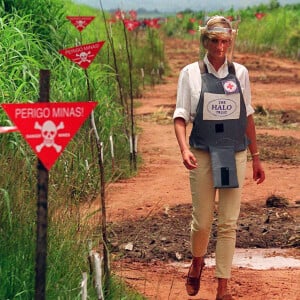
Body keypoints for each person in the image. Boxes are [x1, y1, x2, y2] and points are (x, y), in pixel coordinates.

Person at [173, 15, 265, 300]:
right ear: (205, 41)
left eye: (225, 41)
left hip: (232, 154)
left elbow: (247, 115)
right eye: (215, 40)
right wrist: (184, 149)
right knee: (202, 221)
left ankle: (223, 286)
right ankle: (198, 260)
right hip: (201, 152)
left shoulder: (241, 74)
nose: (220, 46)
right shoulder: (190, 73)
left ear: (230, 42)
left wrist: (256, 156)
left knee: (228, 222)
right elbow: (180, 117)